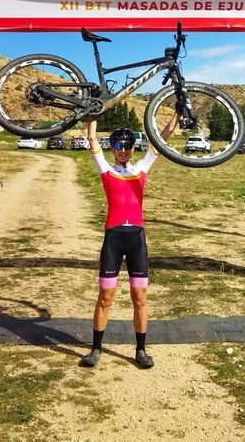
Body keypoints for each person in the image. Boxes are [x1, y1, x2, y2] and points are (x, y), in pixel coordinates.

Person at [82, 113, 178, 369]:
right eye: (118, 145)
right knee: (105, 296)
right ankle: (95, 349)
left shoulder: (140, 168)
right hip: (113, 239)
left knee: (140, 296)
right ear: (112, 148)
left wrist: (178, 113)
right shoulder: (106, 169)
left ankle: (141, 350)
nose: (123, 150)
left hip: (137, 239)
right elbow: (91, 138)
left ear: (133, 147)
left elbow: (163, 138)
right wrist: (94, 112)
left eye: (127, 145)